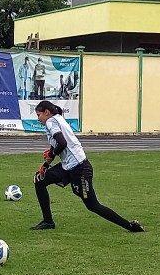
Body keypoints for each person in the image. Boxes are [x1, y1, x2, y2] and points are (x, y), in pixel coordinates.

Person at [30, 100, 144, 233]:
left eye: (39, 115)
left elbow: (62, 144)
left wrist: (53, 153)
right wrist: (45, 165)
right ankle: (48, 222)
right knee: (39, 180)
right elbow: (56, 144)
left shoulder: (51, 122)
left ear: (47, 112)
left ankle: (130, 226)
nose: (38, 119)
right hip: (69, 167)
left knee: (92, 205)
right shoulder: (57, 118)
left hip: (79, 168)